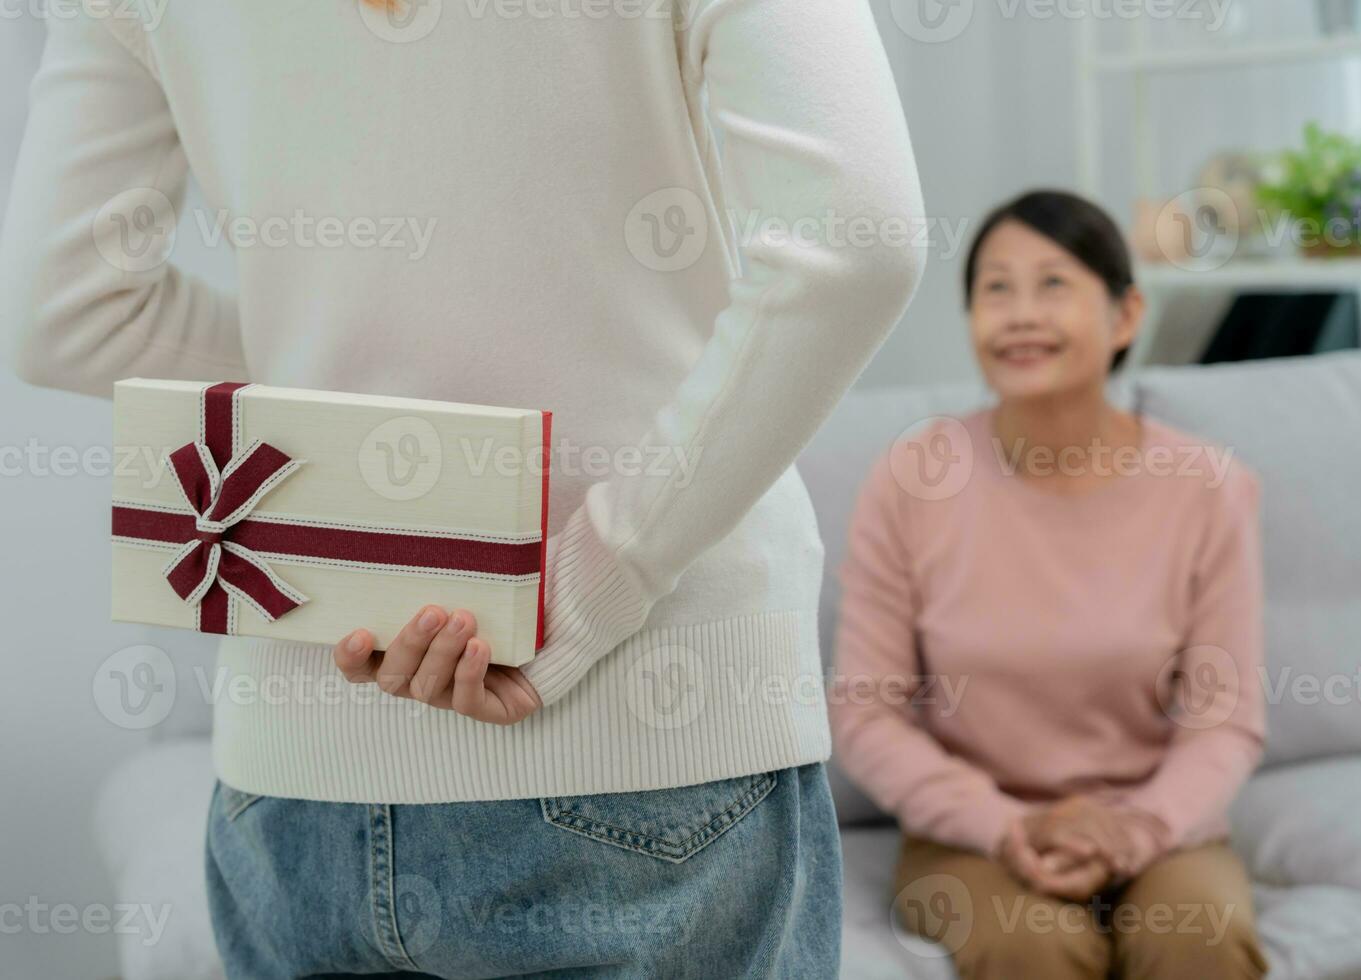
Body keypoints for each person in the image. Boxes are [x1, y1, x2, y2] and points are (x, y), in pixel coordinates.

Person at [0, 0, 927, 974]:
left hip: (294, 778)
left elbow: (65, 313)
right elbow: (854, 243)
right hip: (650, 743)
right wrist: (583, 585)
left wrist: (370, 424)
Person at [830, 190, 1270, 979]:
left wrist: (1136, 830)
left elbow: (1226, 721)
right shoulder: (914, 478)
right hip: (967, 832)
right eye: (996, 288)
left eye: (1054, 285)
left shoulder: (1209, 487)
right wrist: (1003, 826)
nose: (1021, 313)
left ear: (1126, 315)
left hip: (1157, 820)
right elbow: (867, 714)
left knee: (1196, 936)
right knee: (1032, 944)